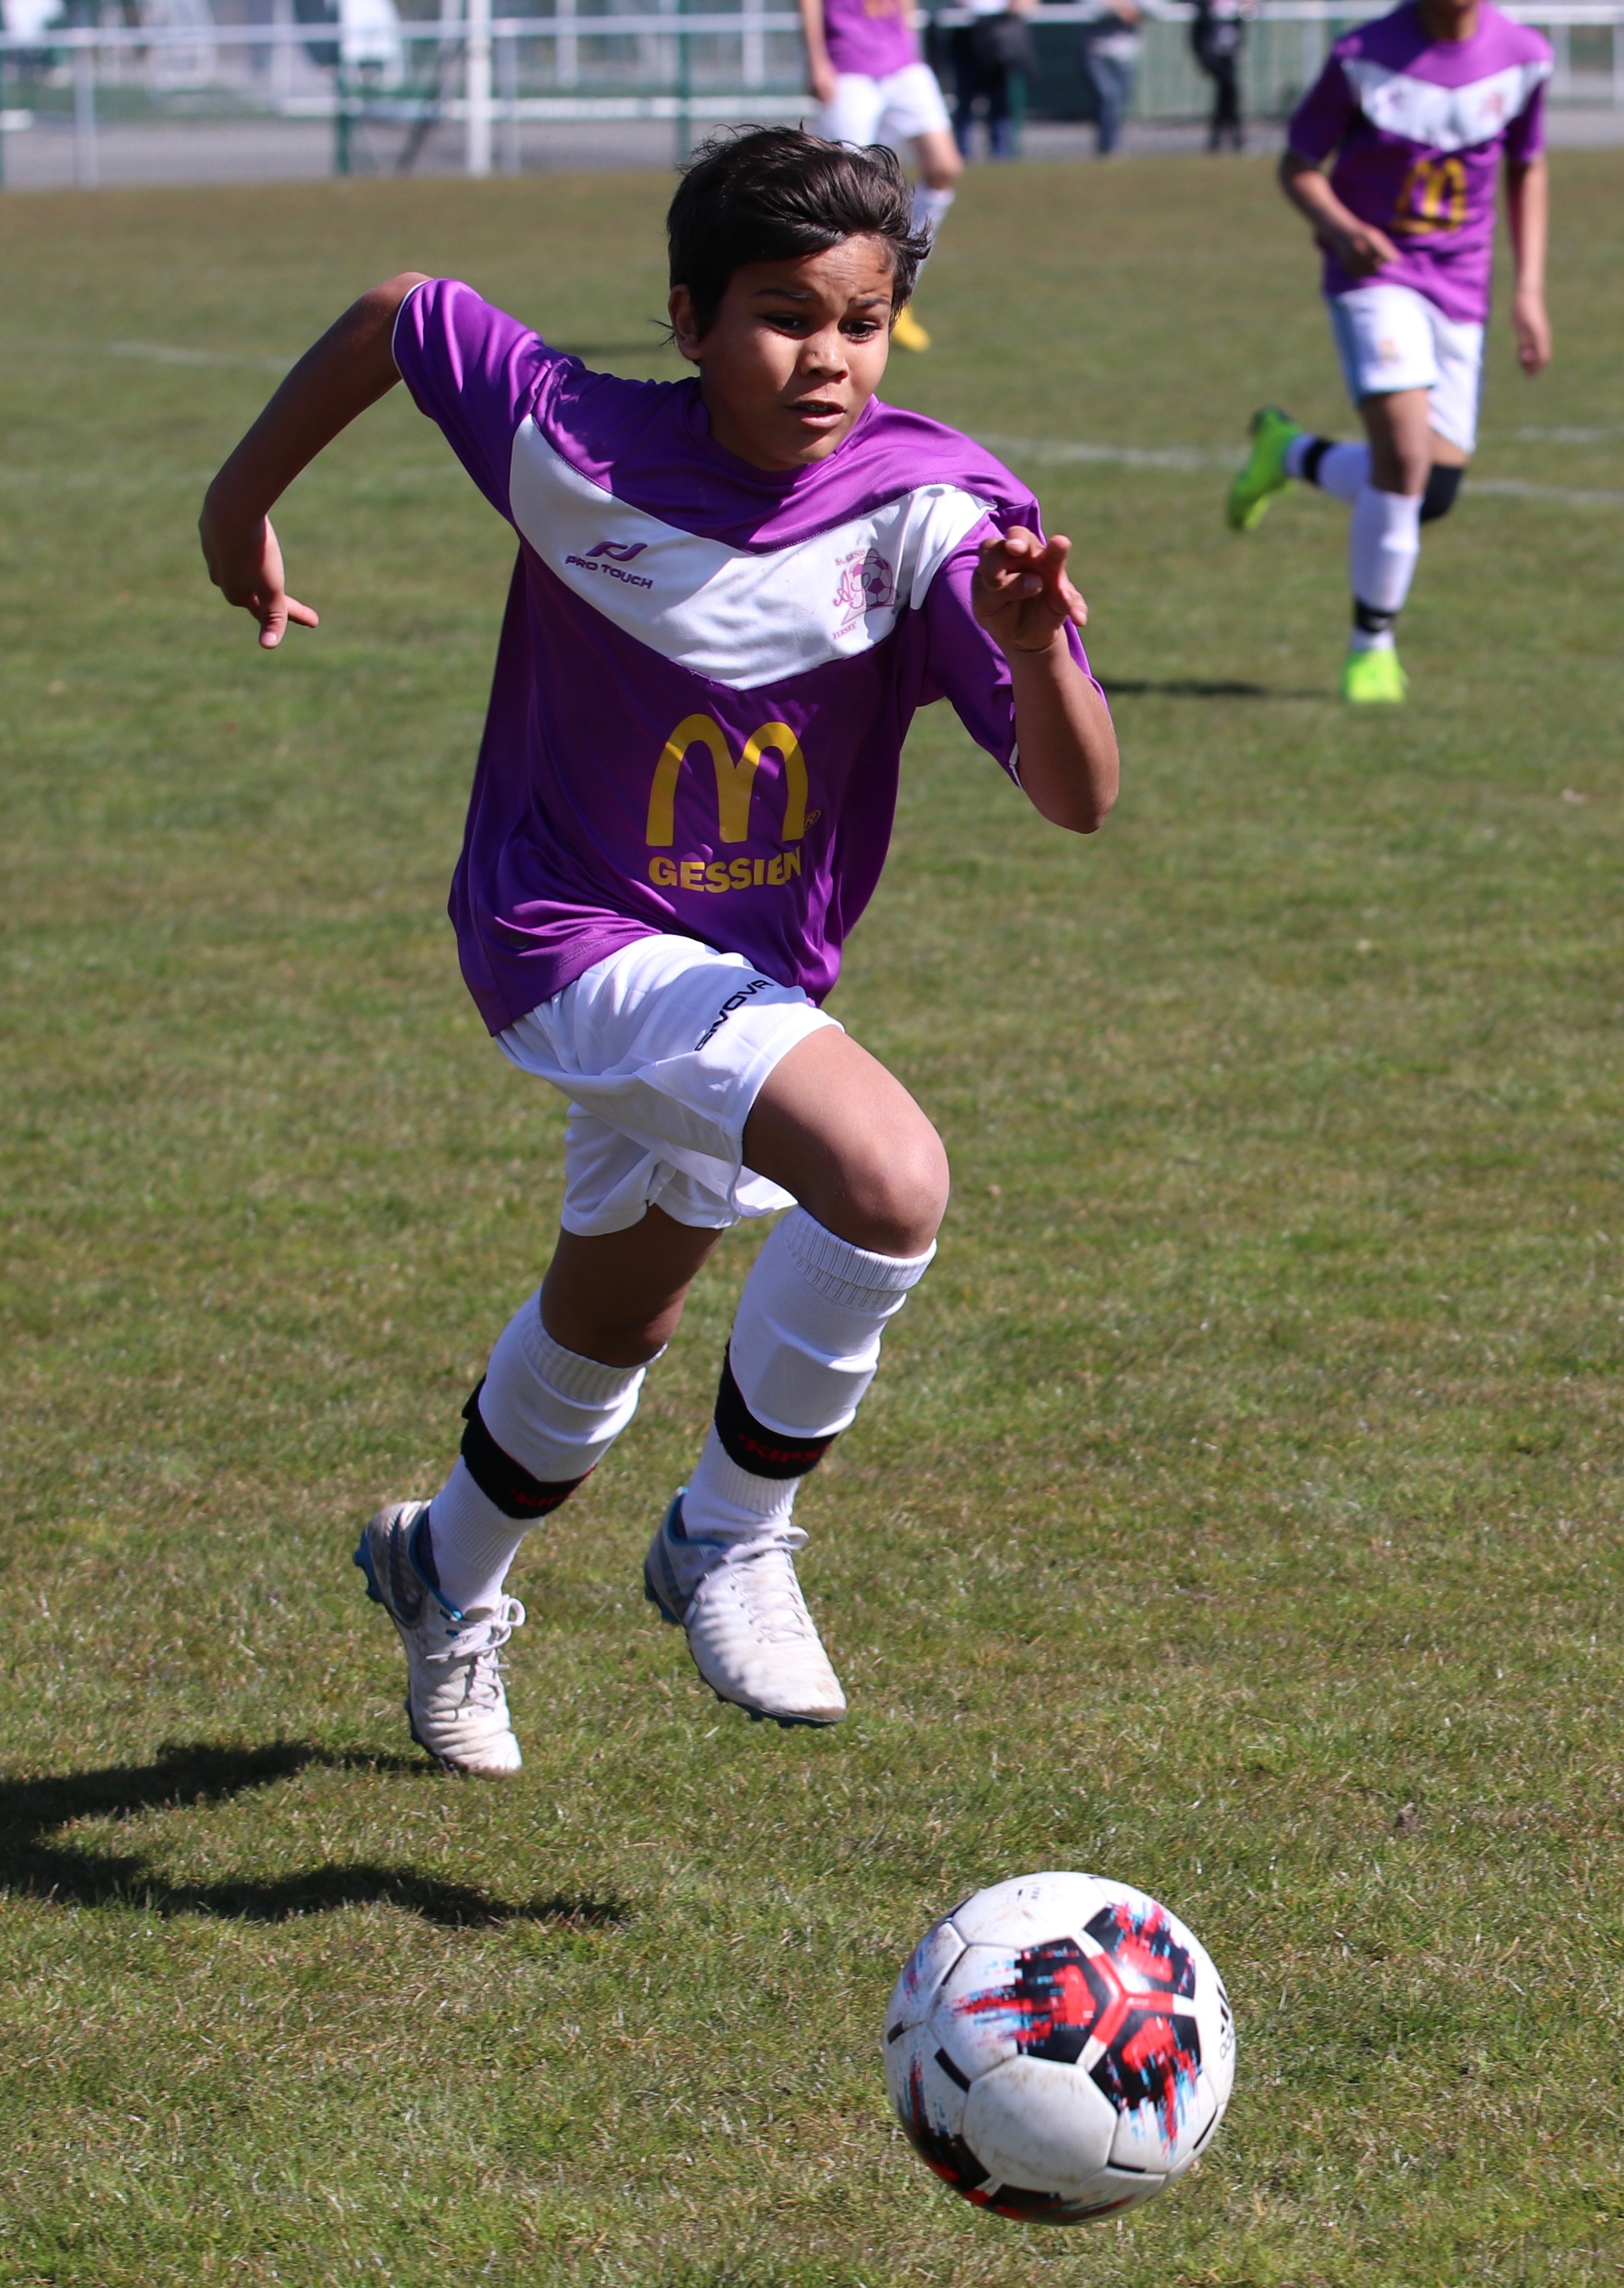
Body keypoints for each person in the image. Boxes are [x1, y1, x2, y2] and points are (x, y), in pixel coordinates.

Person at [197, 128, 1118, 1776]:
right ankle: (730, 1537)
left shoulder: (938, 512)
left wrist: (1037, 652)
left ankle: (441, 1570)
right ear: (688, 318)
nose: (826, 357)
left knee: (612, 1316)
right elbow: (402, 313)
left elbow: (1077, 796)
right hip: (557, 932)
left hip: (747, 974)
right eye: (783, 316)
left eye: (860, 320)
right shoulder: (570, 435)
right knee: (888, 1179)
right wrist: (237, 507)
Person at [1224, 0, 1551, 703]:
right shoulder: (1361, 56)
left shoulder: (1525, 56)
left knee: (1432, 491)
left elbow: (1527, 167)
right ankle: (1370, 649)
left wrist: (1528, 291)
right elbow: (1298, 165)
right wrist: (1341, 229)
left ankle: (1286, 452)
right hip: (1375, 278)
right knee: (1403, 460)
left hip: (1461, 288)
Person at [800, 0, 963, 351]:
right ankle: (836, 295)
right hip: (848, 65)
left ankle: (898, 288)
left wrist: (911, 45)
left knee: (944, 166)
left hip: (903, 64)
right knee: (845, 187)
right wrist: (816, 60)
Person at [950, 0, 1037, 162]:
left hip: (1000, 37)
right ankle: (961, 155)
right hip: (967, 35)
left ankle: (1001, 156)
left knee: (1000, 104)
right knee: (965, 104)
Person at [1084, 0, 1142, 156]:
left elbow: (1155, 8)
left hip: (1124, 54)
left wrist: (1132, 9)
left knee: (1119, 101)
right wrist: (1116, 7)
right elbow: (1088, 8)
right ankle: (1107, 147)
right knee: (1109, 97)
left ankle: (1113, 145)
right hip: (1095, 51)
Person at [1189, 0, 1246, 153]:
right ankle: (1235, 139)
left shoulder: (1236, 5)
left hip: (1229, 55)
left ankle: (1218, 140)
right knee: (1229, 90)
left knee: (1227, 93)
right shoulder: (1204, 5)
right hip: (1211, 55)